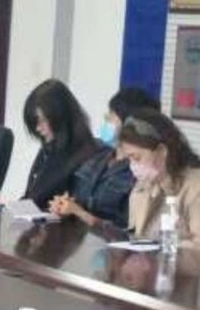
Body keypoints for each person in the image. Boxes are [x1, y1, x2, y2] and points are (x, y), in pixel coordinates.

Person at [49, 88, 160, 229]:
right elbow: (74, 196)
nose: (106, 119)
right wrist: (63, 205)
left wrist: (80, 213)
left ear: (129, 124)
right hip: (74, 236)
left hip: (107, 242)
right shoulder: (96, 155)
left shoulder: (139, 171)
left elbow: (129, 229)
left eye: (112, 116)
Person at [120, 108, 200, 245]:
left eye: (137, 158)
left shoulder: (195, 187)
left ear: (162, 151)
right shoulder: (142, 188)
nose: (133, 166)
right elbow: (136, 237)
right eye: (129, 159)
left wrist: (164, 248)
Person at [22, 79, 100, 209]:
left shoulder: (85, 155)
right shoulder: (50, 148)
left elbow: (42, 199)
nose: (38, 128)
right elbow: (31, 195)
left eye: (43, 120)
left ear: (60, 117)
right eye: (35, 122)